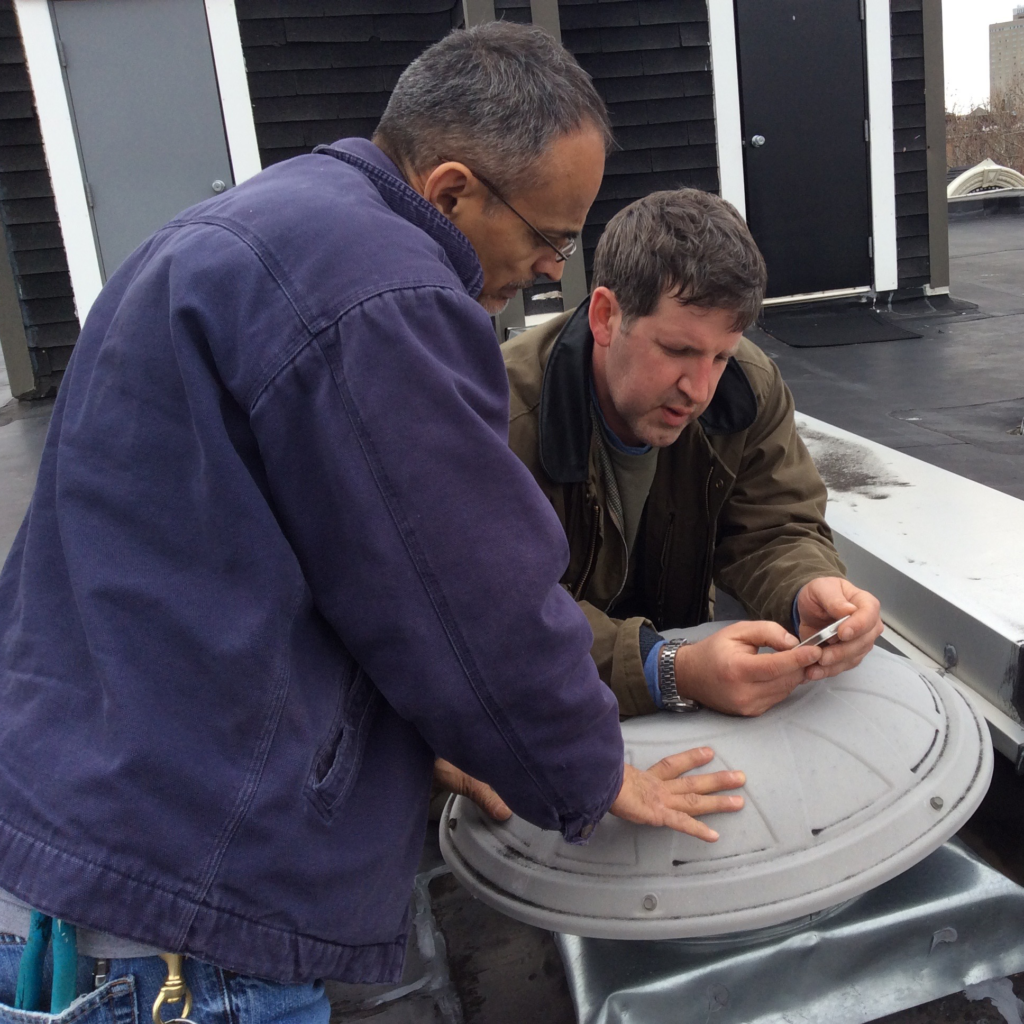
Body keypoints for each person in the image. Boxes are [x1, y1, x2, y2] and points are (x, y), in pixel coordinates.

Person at [0, 25, 747, 1024]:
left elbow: (262, 564)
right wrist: (588, 766)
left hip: (70, 848)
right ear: (448, 193)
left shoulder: (227, 236)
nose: (541, 272)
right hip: (192, 927)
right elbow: (465, 593)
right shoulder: (383, 291)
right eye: (546, 238)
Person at [501, 189, 884, 720]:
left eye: (721, 354)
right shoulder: (496, 415)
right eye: (678, 350)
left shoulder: (748, 388)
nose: (700, 389)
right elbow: (503, 612)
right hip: (537, 717)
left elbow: (776, 527)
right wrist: (670, 669)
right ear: (606, 316)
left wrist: (807, 588)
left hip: (686, 695)